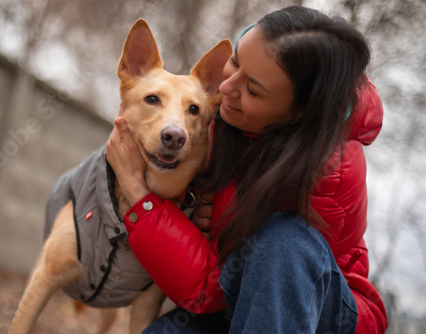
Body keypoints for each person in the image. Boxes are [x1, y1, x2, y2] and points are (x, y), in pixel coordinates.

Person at [106, 6, 388, 334]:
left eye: (252, 89)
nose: (226, 87)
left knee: (285, 241)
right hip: (231, 298)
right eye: (236, 62)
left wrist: (136, 190)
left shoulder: (330, 171)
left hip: (318, 313)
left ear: (299, 113)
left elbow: (212, 288)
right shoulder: (219, 118)